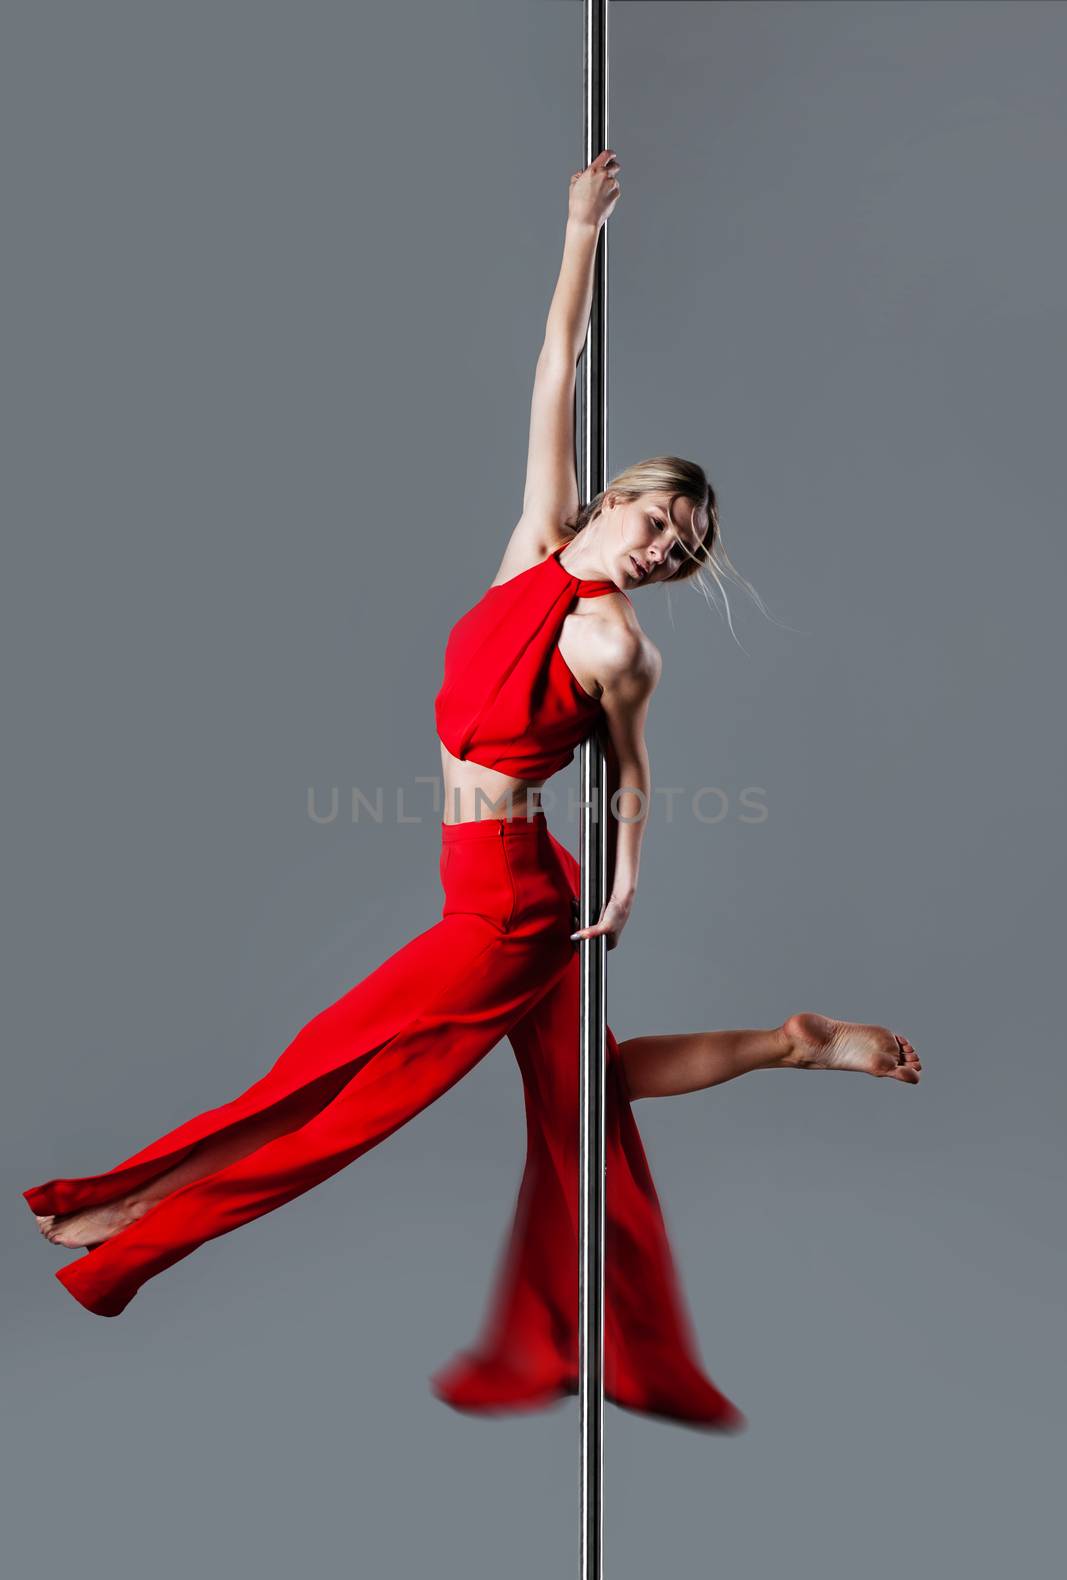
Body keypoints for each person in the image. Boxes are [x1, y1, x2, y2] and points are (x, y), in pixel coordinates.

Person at [24, 150, 921, 1430]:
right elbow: (553, 364)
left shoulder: (614, 640)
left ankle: (128, 1224)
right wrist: (576, 232)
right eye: (666, 516)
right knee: (580, 1091)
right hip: (498, 888)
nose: (667, 543)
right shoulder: (532, 548)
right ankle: (794, 1041)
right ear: (625, 491)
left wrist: (619, 891)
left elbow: (633, 780)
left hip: (502, 910)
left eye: (683, 548)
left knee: (335, 1084)